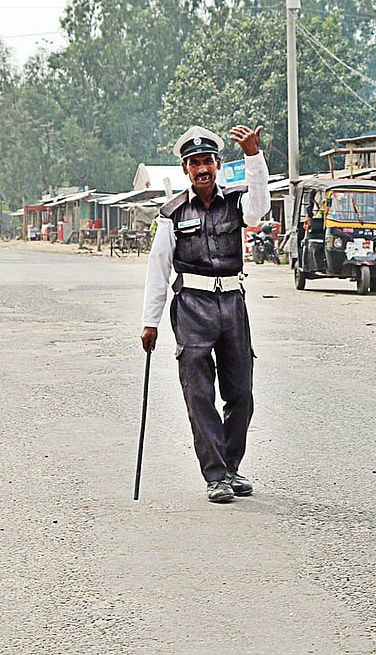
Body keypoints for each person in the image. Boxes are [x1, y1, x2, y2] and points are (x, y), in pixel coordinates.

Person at [140, 124, 268, 503]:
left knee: (241, 393)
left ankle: (231, 466)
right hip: (192, 307)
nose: (202, 169)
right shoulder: (172, 213)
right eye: (194, 163)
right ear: (185, 170)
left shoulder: (236, 202)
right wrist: (151, 322)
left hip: (232, 303)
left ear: (218, 164)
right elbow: (159, 267)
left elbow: (260, 209)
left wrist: (254, 157)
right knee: (199, 395)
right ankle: (215, 475)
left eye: (207, 162)